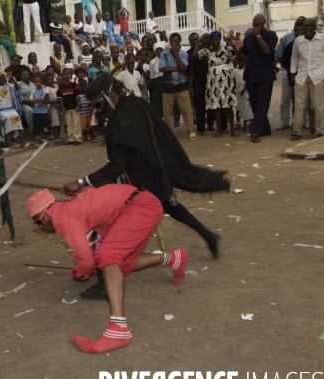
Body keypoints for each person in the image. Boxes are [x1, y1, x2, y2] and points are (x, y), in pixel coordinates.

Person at [60, 72, 229, 300]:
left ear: (111, 96)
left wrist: (81, 182)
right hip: (156, 172)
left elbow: (116, 166)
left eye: (99, 106)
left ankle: (104, 283)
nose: (98, 112)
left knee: (116, 226)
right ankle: (209, 237)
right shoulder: (135, 103)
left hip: (144, 179)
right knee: (171, 205)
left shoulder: (122, 119)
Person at [27, 185, 188, 353]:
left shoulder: (63, 218)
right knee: (121, 265)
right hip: (140, 206)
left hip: (139, 208)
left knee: (108, 257)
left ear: (46, 213)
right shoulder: (66, 206)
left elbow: (87, 260)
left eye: (39, 222)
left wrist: (83, 273)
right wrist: (83, 268)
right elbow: (86, 247)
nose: (40, 227)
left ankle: (118, 331)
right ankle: (174, 259)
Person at [289, 18, 324, 140]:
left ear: (315, 27)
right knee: (299, 105)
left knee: (319, 105)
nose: (308, 28)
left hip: (318, 76)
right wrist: (293, 73)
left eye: (310, 26)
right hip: (301, 77)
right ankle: (297, 132)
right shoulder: (298, 41)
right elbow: (294, 58)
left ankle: (320, 131)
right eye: (306, 26)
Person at [193, 31, 241, 138]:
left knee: (229, 106)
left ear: (220, 40)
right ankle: (219, 130)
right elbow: (194, 55)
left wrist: (232, 44)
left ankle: (232, 129)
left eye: (217, 40)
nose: (215, 42)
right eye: (213, 40)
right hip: (213, 83)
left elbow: (238, 57)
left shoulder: (227, 50)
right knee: (216, 107)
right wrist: (200, 40)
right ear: (210, 41)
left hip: (226, 82)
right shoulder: (207, 52)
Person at [240, 14, 278, 143]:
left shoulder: (271, 35)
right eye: (254, 20)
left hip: (265, 76)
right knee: (255, 104)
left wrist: (258, 36)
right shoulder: (248, 38)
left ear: (264, 22)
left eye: (259, 20)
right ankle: (265, 128)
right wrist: (249, 65)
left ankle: (255, 132)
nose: (256, 22)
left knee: (263, 104)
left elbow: (267, 51)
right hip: (251, 76)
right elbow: (244, 53)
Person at [159, 33, 197, 140]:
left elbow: (183, 68)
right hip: (167, 87)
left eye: (176, 41)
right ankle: (170, 133)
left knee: (186, 110)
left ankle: (191, 131)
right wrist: (176, 69)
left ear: (180, 41)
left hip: (182, 86)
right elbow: (162, 68)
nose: (174, 44)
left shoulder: (183, 54)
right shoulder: (164, 54)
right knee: (168, 112)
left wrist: (176, 54)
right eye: (172, 42)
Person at [275, 16, 307, 131]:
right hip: (288, 72)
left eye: (302, 30)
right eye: (297, 30)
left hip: (304, 73)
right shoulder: (287, 38)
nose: (299, 32)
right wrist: (290, 71)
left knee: (302, 99)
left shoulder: (309, 39)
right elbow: (280, 56)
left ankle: (304, 121)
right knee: (286, 98)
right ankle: (285, 121)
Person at [188, 35, 215, 133]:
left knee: (211, 106)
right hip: (199, 84)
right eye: (204, 44)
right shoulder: (197, 55)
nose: (206, 46)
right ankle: (200, 127)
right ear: (201, 45)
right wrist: (190, 87)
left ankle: (211, 124)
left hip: (212, 84)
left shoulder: (213, 54)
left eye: (208, 44)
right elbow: (191, 72)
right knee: (200, 107)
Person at [0, 73, 24, 145]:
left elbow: (17, 88)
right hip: (1, 110)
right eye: (0, 78)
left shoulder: (8, 86)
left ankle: (22, 139)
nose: (2, 79)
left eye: (3, 78)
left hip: (10, 109)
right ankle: (7, 140)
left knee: (16, 116)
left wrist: (12, 78)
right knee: (8, 118)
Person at [57, 68, 81, 145]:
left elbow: (77, 96)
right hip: (66, 108)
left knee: (76, 123)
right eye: (64, 74)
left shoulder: (74, 85)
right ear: (62, 76)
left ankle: (77, 139)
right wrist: (63, 108)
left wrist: (77, 105)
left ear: (71, 75)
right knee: (69, 123)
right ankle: (70, 139)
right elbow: (60, 98)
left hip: (74, 107)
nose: (66, 75)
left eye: (68, 73)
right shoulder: (61, 86)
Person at [31, 74, 51, 142]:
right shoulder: (33, 91)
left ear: (41, 82)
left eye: (39, 81)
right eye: (36, 82)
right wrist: (33, 101)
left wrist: (37, 100)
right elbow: (31, 100)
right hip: (35, 112)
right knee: (36, 126)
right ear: (34, 82)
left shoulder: (44, 90)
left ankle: (47, 137)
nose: (37, 83)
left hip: (44, 111)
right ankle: (36, 138)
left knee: (45, 124)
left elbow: (45, 99)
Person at [43, 73, 61, 140]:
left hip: (59, 105)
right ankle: (56, 137)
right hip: (53, 106)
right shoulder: (47, 88)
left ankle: (59, 135)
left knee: (60, 121)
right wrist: (54, 101)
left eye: (51, 79)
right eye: (48, 79)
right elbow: (45, 100)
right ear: (45, 81)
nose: (50, 81)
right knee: (55, 122)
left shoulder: (56, 86)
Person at [18, 70, 36, 135]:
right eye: (23, 75)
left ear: (29, 75)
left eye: (27, 74)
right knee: (29, 110)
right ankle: (32, 131)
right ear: (21, 77)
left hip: (34, 102)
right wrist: (26, 101)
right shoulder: (18, 83)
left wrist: (35, 101)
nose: (25, 76)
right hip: (23, 104)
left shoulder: (33, 84)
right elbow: (16, 94)